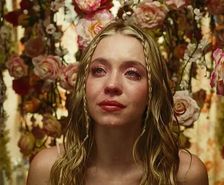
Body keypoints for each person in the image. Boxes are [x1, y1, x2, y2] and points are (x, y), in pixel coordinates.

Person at [26, 19, 209, 185]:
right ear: (83, 84)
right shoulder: (47, 170)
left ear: (152, 91)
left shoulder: (186, 175)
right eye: (99, 70)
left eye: (132, 73)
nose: (112, 85)